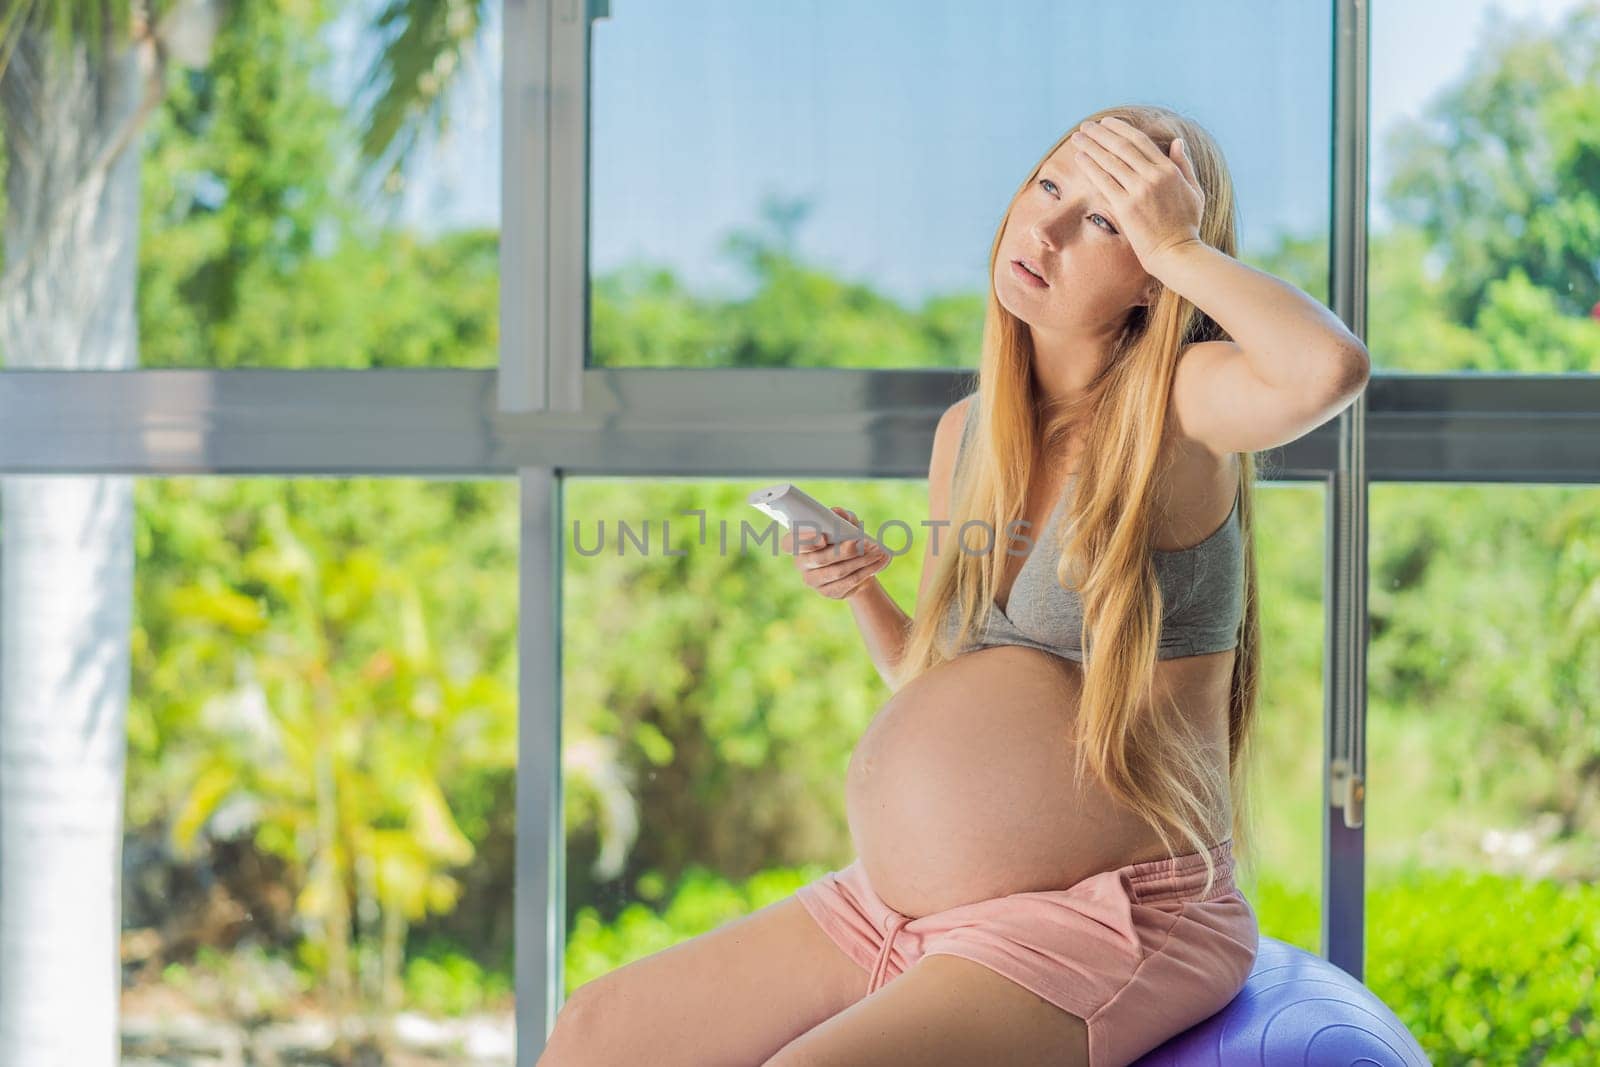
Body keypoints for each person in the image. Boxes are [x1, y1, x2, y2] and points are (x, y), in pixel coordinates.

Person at [537, 103, 1371, 1067]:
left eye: (1105, 220)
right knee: (598, 1031)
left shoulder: (1179, 410)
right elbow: (933, 677)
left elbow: (1328, 368)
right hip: (899, 907)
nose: (1044, 230)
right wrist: (861, 593)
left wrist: (1176, 240)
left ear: (1154, 274)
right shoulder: (969, 432)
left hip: (1105, 917)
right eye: (1049, 188)